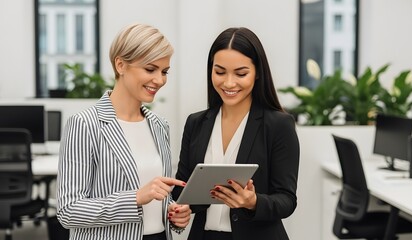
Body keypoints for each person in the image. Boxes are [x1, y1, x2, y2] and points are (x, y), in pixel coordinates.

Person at [56, 23, 191, 240]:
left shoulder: (159, 125)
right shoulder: (85, 124)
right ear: (120, 65)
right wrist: (135, 198)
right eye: (150, 69)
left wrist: (173, 212)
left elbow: (155, 198)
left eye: (164, 71)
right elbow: (68, 211)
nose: (159, 80)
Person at [172, 27, 300, 240]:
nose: (229, 83)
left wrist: (253, 202)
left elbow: (287, 200)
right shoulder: (196, 123)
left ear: (257, 72)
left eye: (241, 73)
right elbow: (182, 190)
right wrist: (182, 208)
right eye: (220, 72)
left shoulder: (279, 125)